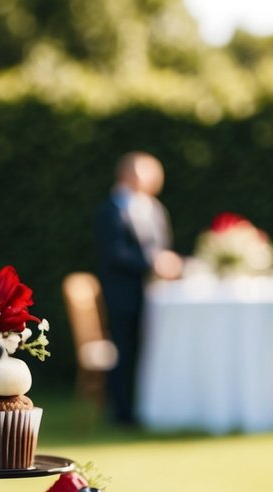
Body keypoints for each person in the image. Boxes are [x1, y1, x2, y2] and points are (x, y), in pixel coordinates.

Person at [95, 152, 182, 426]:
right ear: (128, 174)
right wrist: (152, 262)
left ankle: (151, 405)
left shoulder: (154, 208)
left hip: (155, 294)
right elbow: (115, 254)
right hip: (123, 294)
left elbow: (162, 245)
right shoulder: (109, 211)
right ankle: (122, 412)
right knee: (125, 349)